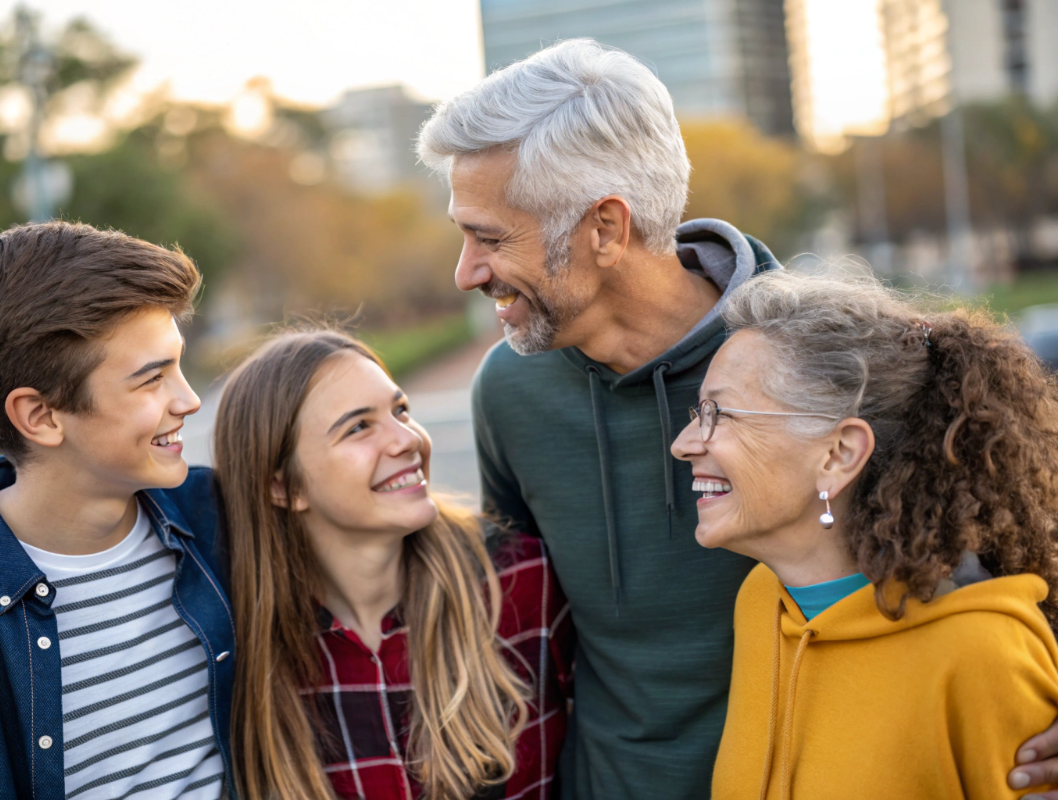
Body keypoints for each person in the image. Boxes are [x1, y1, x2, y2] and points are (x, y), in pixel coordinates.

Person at [416, 37, 1058, 798]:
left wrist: (1034, 692)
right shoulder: (508, 389)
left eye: (491, 238)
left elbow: (1011, 537)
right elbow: (519, 617)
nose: (465, 272)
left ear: (606, 228)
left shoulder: (827, 362)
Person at [0, 222, 234, 800]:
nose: (189, 399)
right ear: (40, 417)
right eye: (152, 379)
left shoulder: (221, 519)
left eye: (178, 366)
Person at [670, 268, 1058, 798]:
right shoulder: (761, 604)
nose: (684, 443)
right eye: (699, 412)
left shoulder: (983, 655)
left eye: (719, 414)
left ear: (838, 454)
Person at [214, 328, 572, 800]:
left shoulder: (520, 580)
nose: (407, 439)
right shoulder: (244, 657)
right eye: (358, 427)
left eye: (400, 410)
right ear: (282, 487)